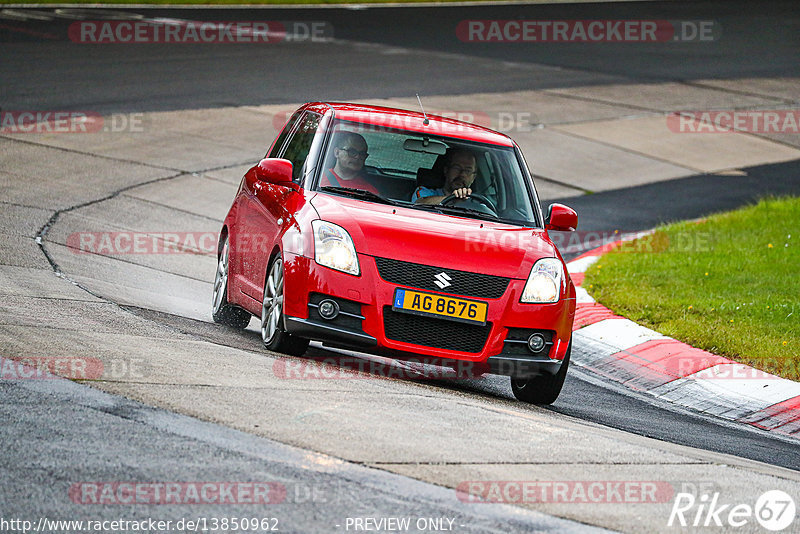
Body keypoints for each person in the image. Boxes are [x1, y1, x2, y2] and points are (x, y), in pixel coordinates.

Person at [413, 148, 478, 204]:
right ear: (446, 170)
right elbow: (419, 203)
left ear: (473, 178)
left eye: (468, 171)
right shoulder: (425, 192)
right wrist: (453, 199)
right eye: (457, 168)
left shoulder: (478, 202)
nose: (462, 174)